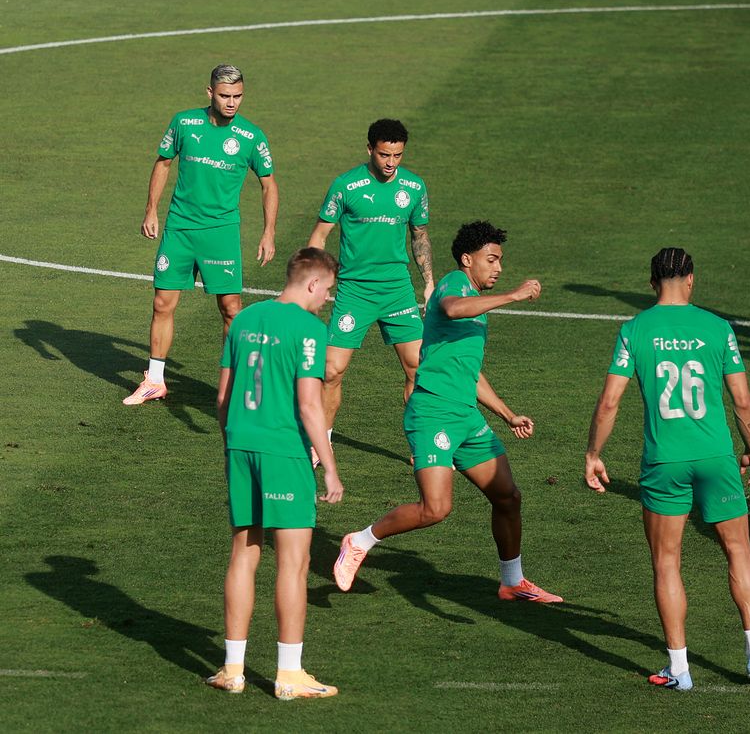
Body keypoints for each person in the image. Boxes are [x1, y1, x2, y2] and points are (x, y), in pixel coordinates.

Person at [332, 220, 561, 603]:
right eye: (492, 259)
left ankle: (512, 581)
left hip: (466, 417)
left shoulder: (477, 303)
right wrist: (513, 296)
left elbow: (468, 374)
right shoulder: (455, 285)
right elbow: (452, 309)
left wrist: (507, 414)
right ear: (468, 260)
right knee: (435, 509)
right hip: (432, 414)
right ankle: (360, 540)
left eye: (500, 260)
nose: (499, 268)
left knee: (508, 496)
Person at [584, 248, 750, 691]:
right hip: (716, 458)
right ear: (691, 279)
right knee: (739, 552)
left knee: (666, 563)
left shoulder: (634, 330)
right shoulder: (718, 328)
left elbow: (610, 401)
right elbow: (742, 402)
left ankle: (680, 669)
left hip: (664, 461)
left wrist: (594, 453)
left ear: (652, 283)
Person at [207, 247, 344, 700]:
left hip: (240, 444)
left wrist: (233, 441)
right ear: (312, 283)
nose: (326, 299)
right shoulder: (309, 329)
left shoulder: (243, 320)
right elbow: (309, 405)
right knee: (293, 562)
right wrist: (330, 468)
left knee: (243, 553)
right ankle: (288, 674)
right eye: (327, 290)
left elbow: (222, 396)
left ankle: (232, 669)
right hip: (284, 452)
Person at [125, 64, 277, 405]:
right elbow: (163, 163)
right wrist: (151, 209)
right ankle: (155, 379)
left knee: (231, 309)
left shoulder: (251, 137)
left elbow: (268, 185)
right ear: (210, 93)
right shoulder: (184, 123)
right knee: (163, 302)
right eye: (225, 96)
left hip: (220, 233)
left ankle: (235, 383)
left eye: (237, 96)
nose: (232, 102)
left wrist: (268, 232)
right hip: (179, 228)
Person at [307, 119, 434, 457]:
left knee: (418, 371)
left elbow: (419, 237)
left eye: (397, 155)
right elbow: (320, 236)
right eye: (384, 155)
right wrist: (312, 282)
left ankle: (420, 445)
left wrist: (429, 283)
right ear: (369, 150)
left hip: (397, 292)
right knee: (331, 370)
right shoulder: (346, 186)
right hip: (355, 292)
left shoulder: (415, 187)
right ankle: (322, 442)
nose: (391, 162)